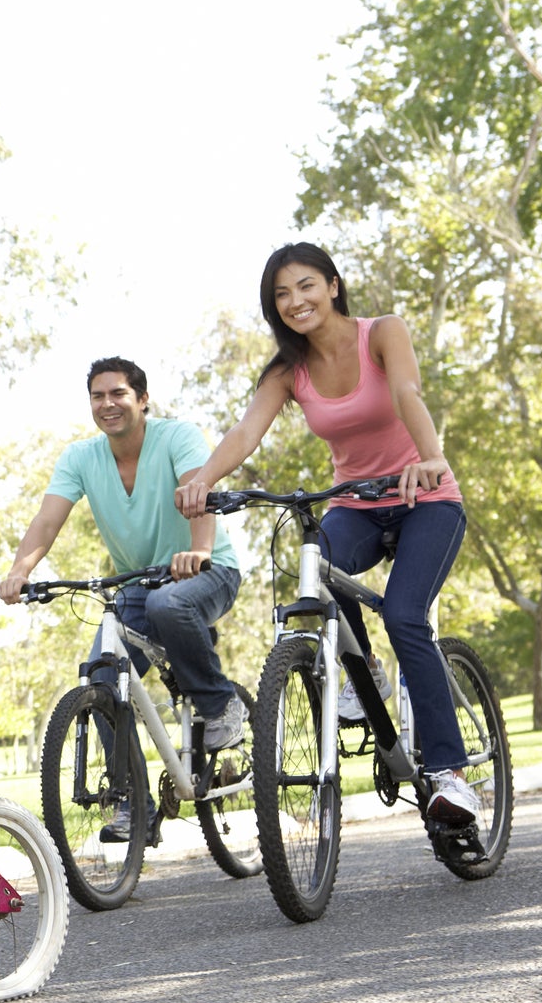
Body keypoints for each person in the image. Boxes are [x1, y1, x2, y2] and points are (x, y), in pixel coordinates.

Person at [175, 241, 480, 828]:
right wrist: (204, 481)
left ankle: (449, 774)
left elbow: (407, 393)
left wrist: (432, 457)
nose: (295, 301)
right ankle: (365, 671)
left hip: (426, 498)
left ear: (333, 285)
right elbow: (245, 432)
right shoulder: (290, 371)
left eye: (306, 286)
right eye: (281, 294)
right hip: (358, 504)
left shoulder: (381, 333)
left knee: (406, 616)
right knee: (319, 556)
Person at [0, 357, 249, 844]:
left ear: (142, 399)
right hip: (138, 581)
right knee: (102, 677)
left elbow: (200, 492)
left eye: (118, 394)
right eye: (97, 396)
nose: (107, 404)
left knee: (168, 606)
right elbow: (47, 521)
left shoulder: (176, 437)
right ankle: (134, 805)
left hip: (208, 568)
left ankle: (220, 706)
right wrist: (20, 571)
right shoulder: (80, 458)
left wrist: (198, 550)